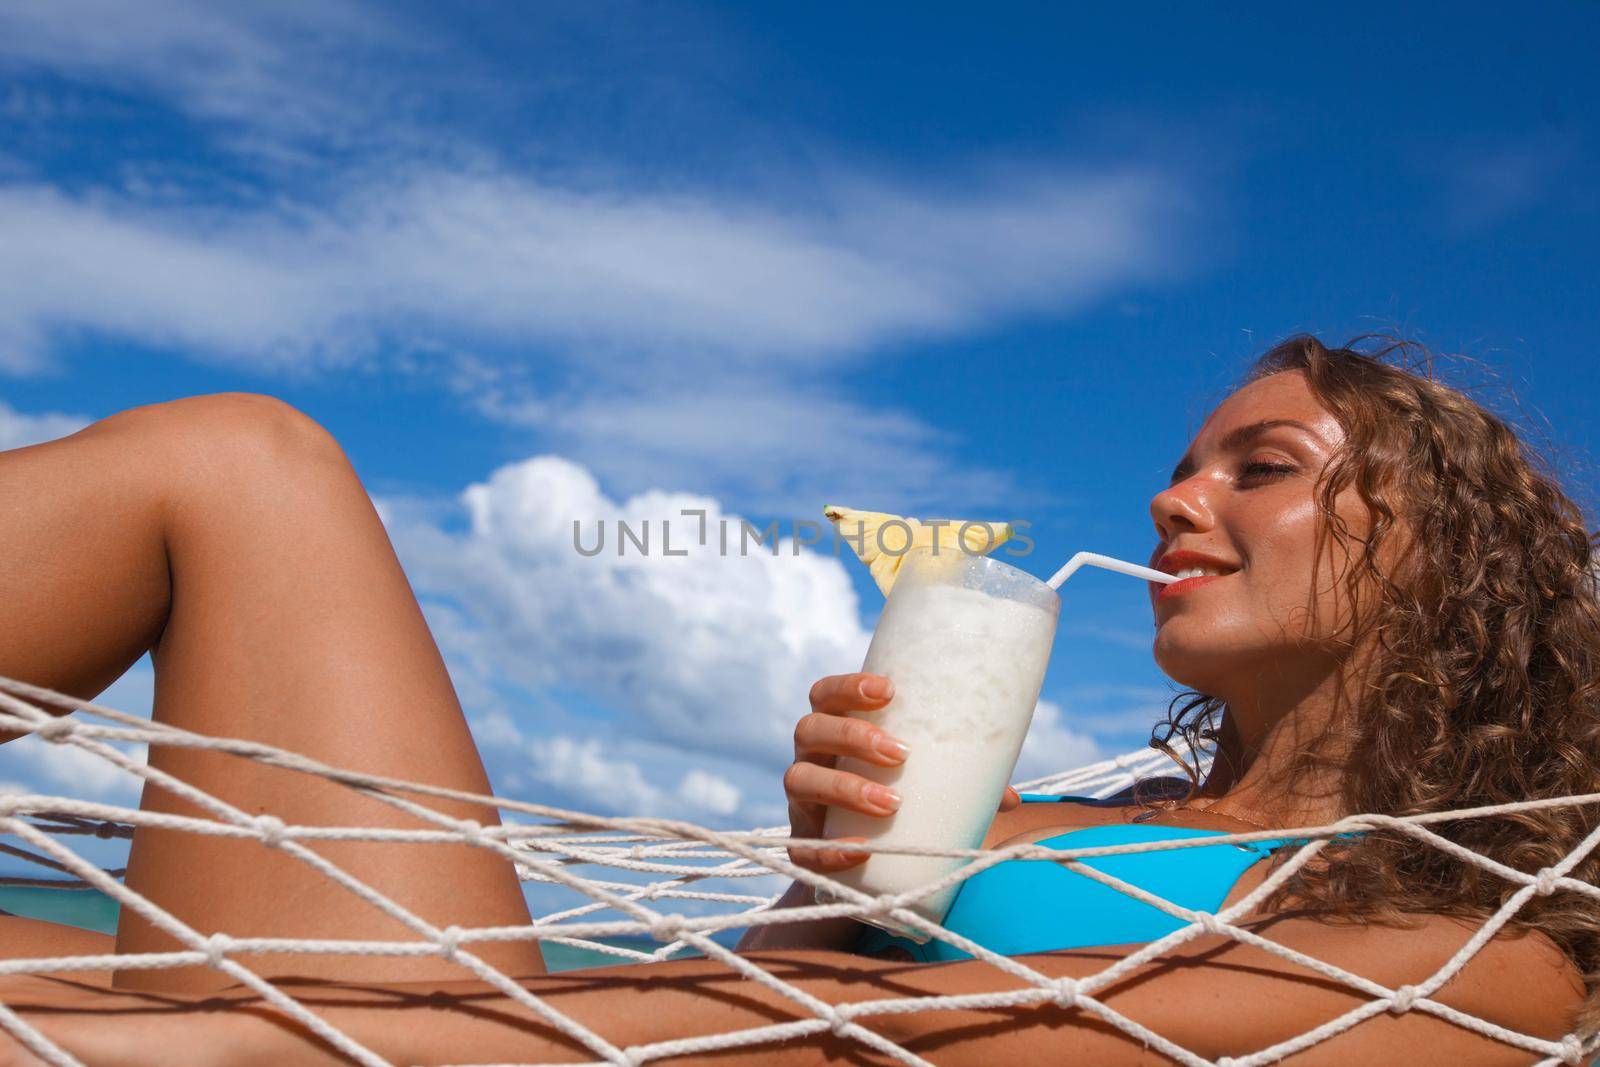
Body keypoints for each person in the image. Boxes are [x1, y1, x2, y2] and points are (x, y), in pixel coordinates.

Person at [0, 336, 1591, 1065]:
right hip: (533, 1036)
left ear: (1448, 562)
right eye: (1179, 467)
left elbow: (960, 1038)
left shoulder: (1491, 938)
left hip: (517, 1055)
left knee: (242, 472)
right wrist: (822, 883)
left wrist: (276, 1042)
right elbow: (771, 990)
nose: (1179, 502)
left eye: (1264, 470)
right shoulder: (1038, 821)